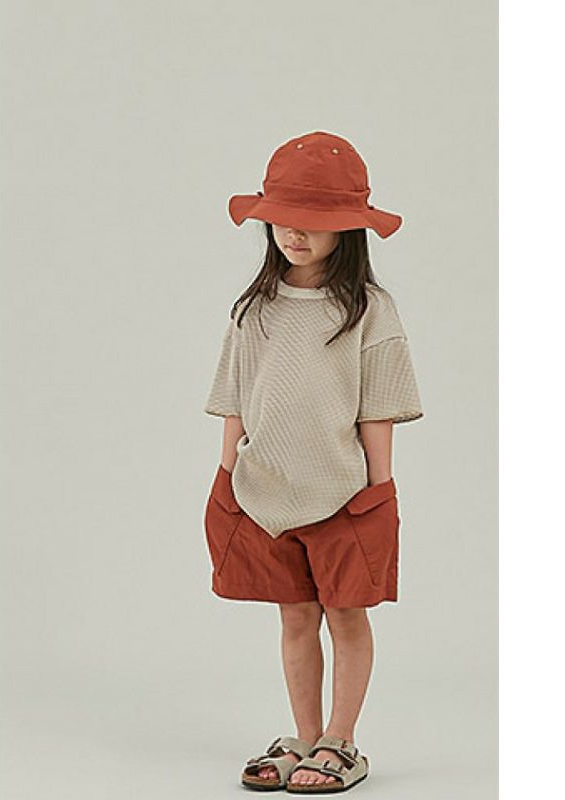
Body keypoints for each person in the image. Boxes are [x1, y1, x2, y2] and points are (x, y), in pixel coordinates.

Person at [202, 131, 424, 794]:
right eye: (282, 220)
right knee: (295, 616)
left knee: (346, 616)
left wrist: (378, 494)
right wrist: (226, 481)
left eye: (313, 222)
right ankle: (303, 736)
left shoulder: (369, 311)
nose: (294, 234)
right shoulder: (255, 309)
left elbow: (378, 410)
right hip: (264, 492)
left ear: (347, 229)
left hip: (343, 496)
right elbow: (236, 398)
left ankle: (341, 739)